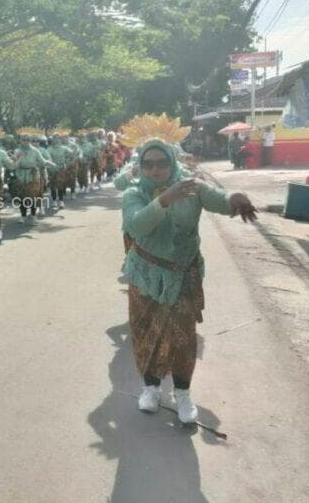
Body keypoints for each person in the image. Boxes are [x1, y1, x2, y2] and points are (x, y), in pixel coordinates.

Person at [122, 138, 256, 424]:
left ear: (171, 162)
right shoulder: (134, 193)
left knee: (183, 336)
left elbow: (218, 198)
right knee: (146, 332)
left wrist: (234, 197)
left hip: (182, 273)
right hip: (146, 273)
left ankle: (183, 394)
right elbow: (136, 225)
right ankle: (151, 388)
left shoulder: (190, 187)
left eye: (161, 163)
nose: (155, 170)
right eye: (148, 164)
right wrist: (164, 200)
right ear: (141, 166)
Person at [12, 129, 52, 224]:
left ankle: (33, 216)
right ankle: (23, 216)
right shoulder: (17, 151)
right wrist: (15, 158)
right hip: (21, 176)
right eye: (23, 139)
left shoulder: (35, 151)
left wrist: (48, 163)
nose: (25, 141)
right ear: (20, 141)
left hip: (33, 175)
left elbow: (42, 161)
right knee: (22, 197)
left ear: (29, 140)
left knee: (33, 197)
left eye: (27, 139)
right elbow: (13, 163)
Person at [47, 134, 72, 209]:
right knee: (53, 186)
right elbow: (48, 158)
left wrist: (67, 162)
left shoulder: (64, 148)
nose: (56, 140)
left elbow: (72, 154)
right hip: (52, 169)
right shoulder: (49, 149)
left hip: (61, 169)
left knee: (60, 185)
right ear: (52, 140)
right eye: (54, 139)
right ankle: (54, 201)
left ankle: (61, 201)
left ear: (60, 140)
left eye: (58, 138)